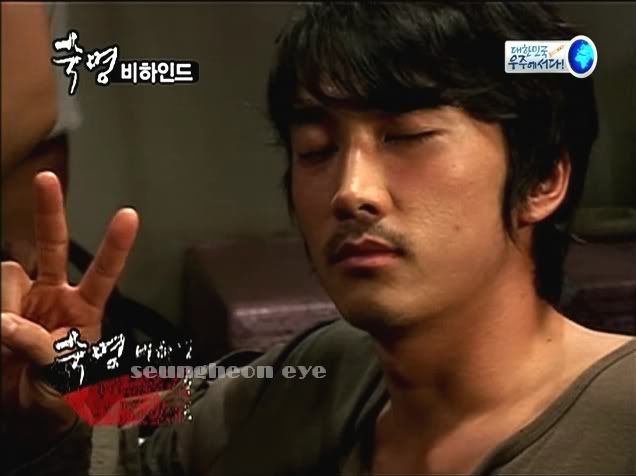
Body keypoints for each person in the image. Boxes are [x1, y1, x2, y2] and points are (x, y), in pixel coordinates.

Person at [2, 3, 634, 475]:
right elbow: (131, 452)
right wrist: (51, 395)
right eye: (316, 150)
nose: (351, 191)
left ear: (542, 180)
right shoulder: (320, 374)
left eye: (407, 137)